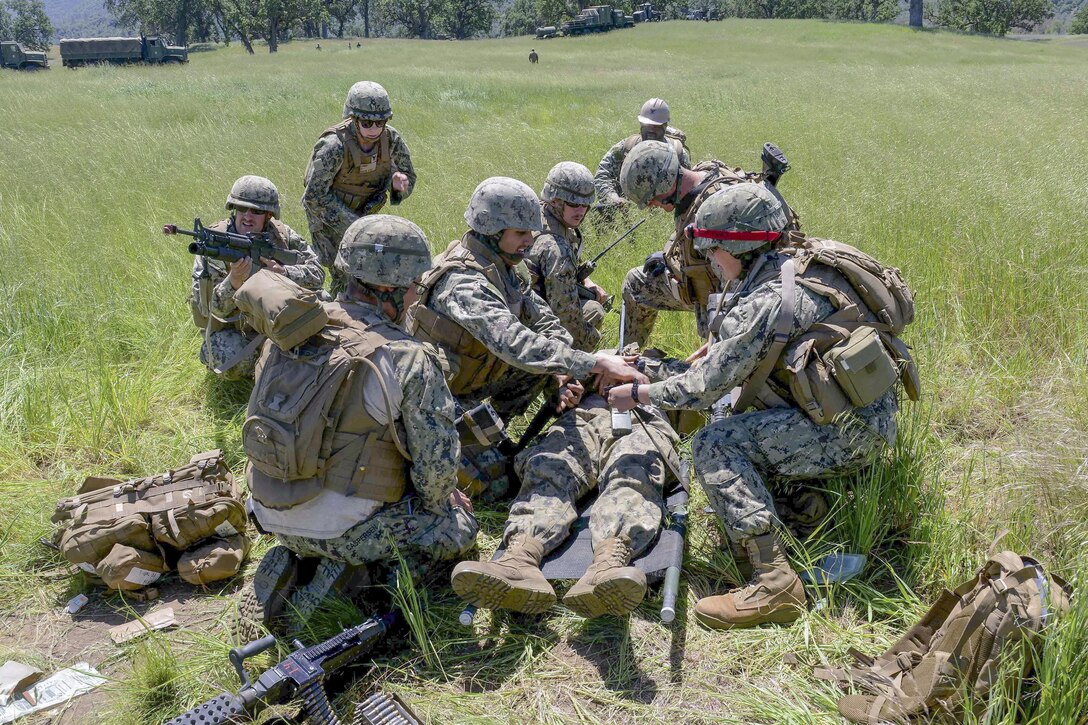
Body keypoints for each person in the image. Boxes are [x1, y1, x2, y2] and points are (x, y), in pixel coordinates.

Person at [608, 183, 907, 630]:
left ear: (739, 247)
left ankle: (775, 584)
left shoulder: (766, 302)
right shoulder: (814, 263)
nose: (710, 262)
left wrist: (638, 393)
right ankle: (799, 507)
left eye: (713, 252)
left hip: (848, 432)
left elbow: (702, 391)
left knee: (714, 442)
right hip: (869, 412)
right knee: (744, 417)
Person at [239, 214, 478, 627]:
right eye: (414, 287)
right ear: (393, 288)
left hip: (268, 511)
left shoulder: (290, 330)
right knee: (459, 527)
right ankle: (365, 582)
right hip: (347, 532)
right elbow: (436, 473)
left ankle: (298, 561)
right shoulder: (408, 357)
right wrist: (445, 504)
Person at [405, 176, 646, 500]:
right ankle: (467, 442)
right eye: (520, 233)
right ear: (492, 230)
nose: (529, 240)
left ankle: (493, 432)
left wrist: (562, 373)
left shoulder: (504, 267)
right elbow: (515, 342)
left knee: (544, 367)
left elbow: (547, 321)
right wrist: (594, 361)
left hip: (474, 378)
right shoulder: (463, 284)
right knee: (499, 487)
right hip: (438, 397)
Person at [451, 368, 680, 619]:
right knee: (547, 465)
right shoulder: (594, 361)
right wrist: (572, 385)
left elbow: (694, 389)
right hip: (581, 420)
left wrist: (641, 382)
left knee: (631, 471)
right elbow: (554, 378)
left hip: (639, 421)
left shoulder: (661, 364)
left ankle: (608, 564)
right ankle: (519, 558)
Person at [617, 140, 796, 347]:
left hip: (734, 296)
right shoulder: (705, 175)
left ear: (665, 185)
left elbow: (740, 290)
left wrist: (716, 350)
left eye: (651, 199)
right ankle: (625, 361)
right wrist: (668, 258)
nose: (651, 205)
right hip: (701, 281)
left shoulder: (715, 215)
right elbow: (686, 232)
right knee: (636, 283)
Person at [190, 175, 324, 380]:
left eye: (257, 211)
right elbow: (209, 310)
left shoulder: (282, 235)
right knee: (222, 356)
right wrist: (233, 282)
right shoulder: (215, 243)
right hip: (240, 329)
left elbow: (317, 274)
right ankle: (272, 365)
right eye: (241, 208)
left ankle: (286, 361)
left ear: (269, 215)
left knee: (325, 302)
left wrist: (284, 273)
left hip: (279, 320)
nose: (247, 216)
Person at [302, 81, 417, 294]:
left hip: (365, 215)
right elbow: (314, 197)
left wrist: (399, 185)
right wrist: (355, 227)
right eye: (366, 123)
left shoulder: (390, 139)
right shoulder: (333, 146)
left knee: (376, 273)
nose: (374, 129)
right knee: (346, 274)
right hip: (329, 218)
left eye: (380, 122)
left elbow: (408, 175)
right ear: (352, 119)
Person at [526, 162, 609, 352]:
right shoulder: (556, 249)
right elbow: (565, 314)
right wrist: (594, 342)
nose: (580, 211)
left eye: (585, 204)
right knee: (594, 310)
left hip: (523, 306)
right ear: (555, 200)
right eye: (573, 203)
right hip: (532, 323)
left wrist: (586, 281)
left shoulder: (538, 213)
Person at [592, 97, 691, 210]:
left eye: (656, 127)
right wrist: (613, 199)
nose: (651, 130)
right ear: (640, 124)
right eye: (647, 125)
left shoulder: (677, 153)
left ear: (665, 126)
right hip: (627, 211)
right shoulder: (627, 147)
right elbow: (602, 174)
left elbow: (687, 190)